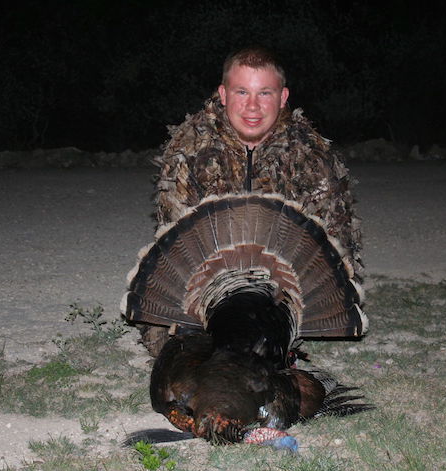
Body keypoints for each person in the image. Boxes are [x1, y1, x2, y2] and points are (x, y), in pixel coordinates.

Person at [141, 47, 363, 355]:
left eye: (265, 93)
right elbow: (179, 250)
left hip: (281, 294)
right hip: (209, 291)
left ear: (283, 97)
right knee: (179, 352)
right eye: (242, 91)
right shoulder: (188, 150)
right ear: (223, 94)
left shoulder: (311, 155)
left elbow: (337, 245)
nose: (253, 106)